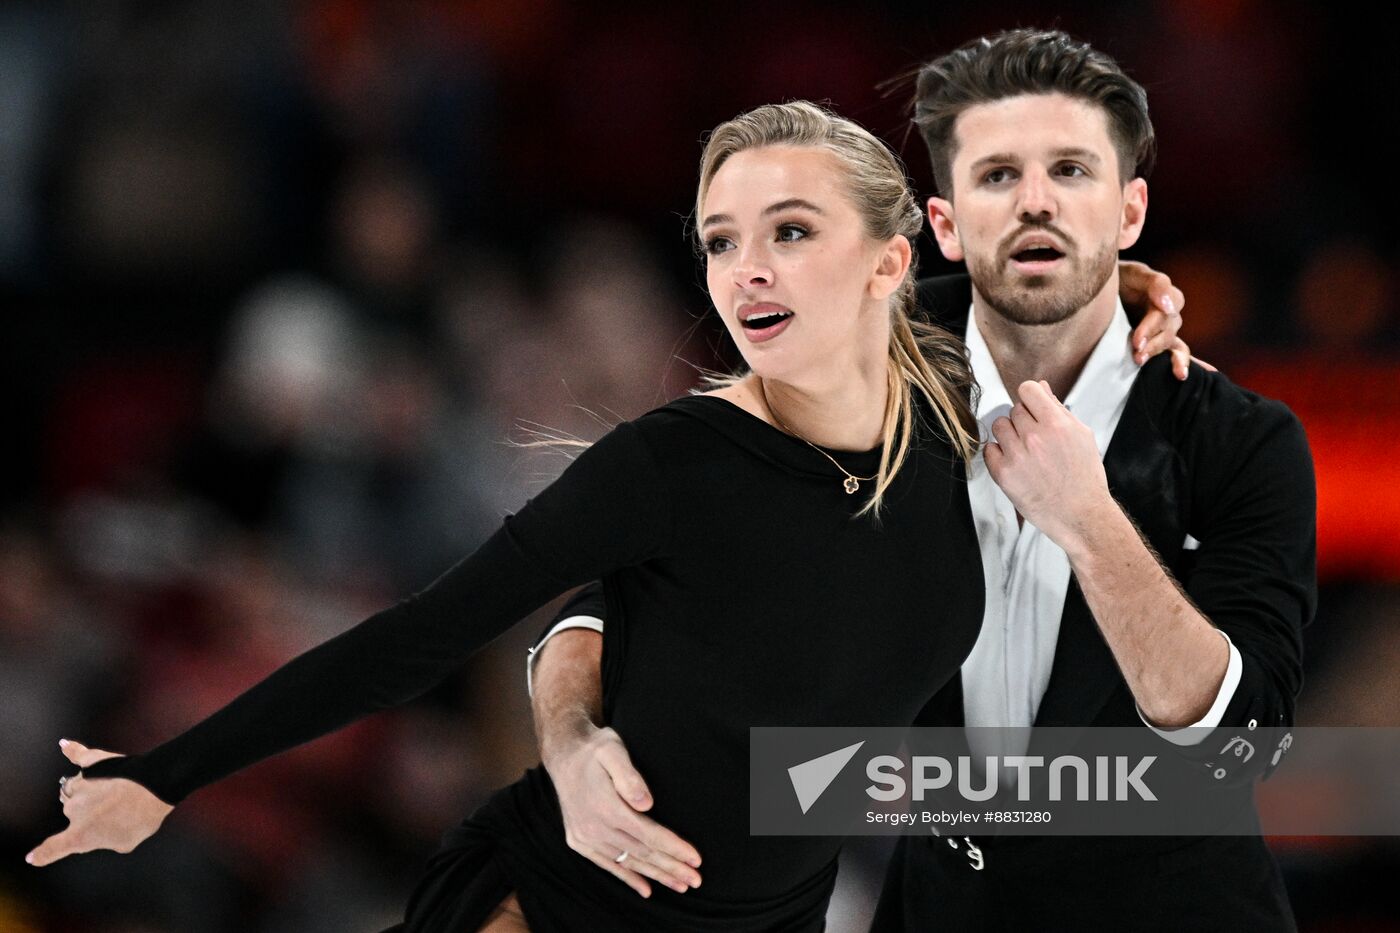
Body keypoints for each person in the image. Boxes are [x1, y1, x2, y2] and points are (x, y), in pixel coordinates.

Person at [32, 101, 1016, 933]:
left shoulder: (951, 396)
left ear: (887, 263)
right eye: (721, 240)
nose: (745, 270)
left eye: (788, 232)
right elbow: (421, 636)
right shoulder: (670, 464)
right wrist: (164, 777)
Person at [527, 29, 1315, 932]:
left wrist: (1089, 521)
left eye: (1070, 171)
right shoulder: (855, 383)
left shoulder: (1242, 441)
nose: (1034, 205)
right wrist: (571, 739)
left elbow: (1237, 745)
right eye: (995, 176)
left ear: (1129, 211)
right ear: (943, 223)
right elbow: (623, 595)